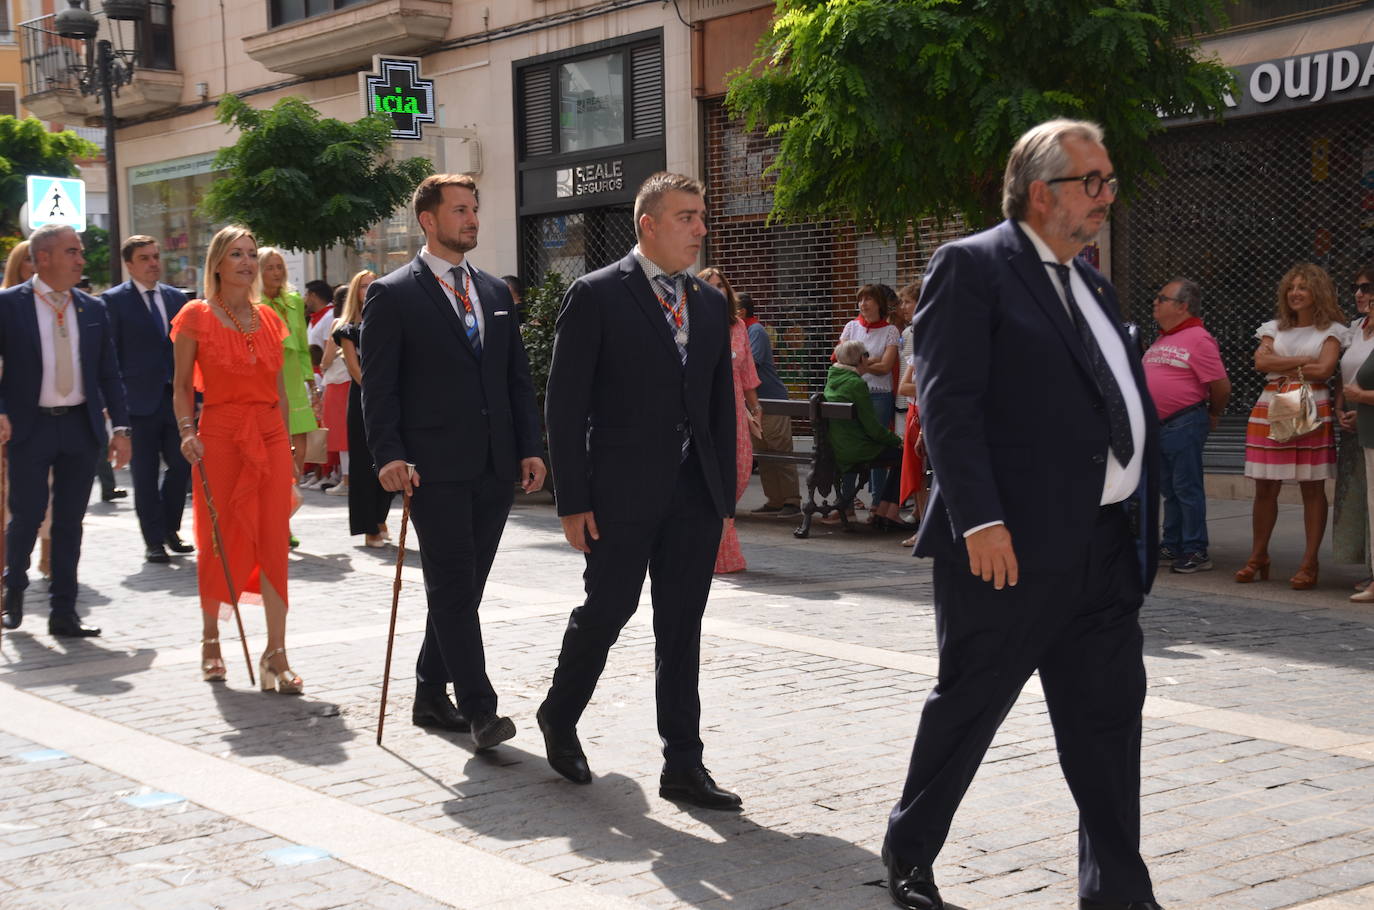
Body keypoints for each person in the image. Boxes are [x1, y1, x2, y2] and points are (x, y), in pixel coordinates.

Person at [885, 119, 1162, 910]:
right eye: (1094, 182)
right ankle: (910, 848)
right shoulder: (971, 267)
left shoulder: (1093, 281)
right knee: (971, 708)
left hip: (1103, 549)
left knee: (1108, 725)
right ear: (1042, 193)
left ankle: (1118, 892)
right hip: (1005, 548)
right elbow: (949, 404)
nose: (1108, 196)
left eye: (1109, 180)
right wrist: (979, 521)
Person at [540, 172, 741, 810]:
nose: (700, 229)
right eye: (687, 217)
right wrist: (572, 500)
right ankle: (560, 713)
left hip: (693, 497)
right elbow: (564, 406)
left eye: (702, 217)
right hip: (618, 496)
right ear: (648, 224)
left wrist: (722, 497)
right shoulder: (596, 295)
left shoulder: (710, 304)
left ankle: (683, 763)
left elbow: (718, 407)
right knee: (608, 611)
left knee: (681, 628)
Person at [361, 173, 545, 752]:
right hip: (430, 468)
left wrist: (531, 446)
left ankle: (427, 693)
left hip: (492, 467)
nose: (471, 219)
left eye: (474, 209)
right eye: (460, 210)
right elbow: (380, 388)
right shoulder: (392, 294)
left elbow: (516, 378)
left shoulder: (493, 293)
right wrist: (388, 455)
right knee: (451, 584)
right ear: (428, 219)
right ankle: (480, 710)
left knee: (465, 590)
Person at [172, 225, 302, 691]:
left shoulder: (269, 319)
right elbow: (183, 387)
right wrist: (187, 431)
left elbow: (280, 391)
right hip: (219, 439)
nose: (247, 263)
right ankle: (211, 641)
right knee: (220, 542)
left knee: (273, 543)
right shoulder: (196, 316)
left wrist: (288, 444)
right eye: (236, 255)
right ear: (218, 264)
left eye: (251, 254)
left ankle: (276, 653)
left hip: (268, 436)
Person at [0, 223, 132, 638]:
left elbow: (110, 374)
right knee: (26, 515)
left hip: (79, 427)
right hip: (29, 427)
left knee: (70, 523)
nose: (81, 260)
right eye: (72, 252)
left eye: (80, 252)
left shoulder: (92, 309)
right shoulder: (8, 305)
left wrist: (121, 428)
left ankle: (64, 612)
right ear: (43, 259)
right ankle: (14, 586)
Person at [1238, 263, 1345, 590]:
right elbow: (1260, 363)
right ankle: (1258, 556)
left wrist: (1281, 362)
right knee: (1264, 487)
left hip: (1311, 405)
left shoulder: (1333, 330)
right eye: (1291, 287)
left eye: (1303, 287)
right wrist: (1302, 362)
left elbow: (1325, 369)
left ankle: (1309, 563)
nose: (1295, 293)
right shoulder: (1273, 327)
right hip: (1270, 405)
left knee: (1311, 486)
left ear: (1318, 292)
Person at [102, 235, 193, 564]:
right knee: (144, 474)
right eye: (145, 258)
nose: (153, 263)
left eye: (156, 257)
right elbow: (107, 356)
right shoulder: (112, 301)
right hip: (136, 404)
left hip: (175, 399)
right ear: (129, 264)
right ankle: (153, 540)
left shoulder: (176, 298)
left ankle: (170, 528)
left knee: (182, 465)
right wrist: (111, 406)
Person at [1142, 279, 1230, 574]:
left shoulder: (1198, 338)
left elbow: (1220, 385)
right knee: (1170, 489)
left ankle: (1195, 549)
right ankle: (1173, 541)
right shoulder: (1164, 338)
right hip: (1159, 425)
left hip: (1184, 421)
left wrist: (1213, 413)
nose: (1155, 302)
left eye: (1161, 298)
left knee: (1186, 488)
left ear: (1182, 306)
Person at [699, 267, 760, 573]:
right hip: (704, 408)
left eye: (720, 286)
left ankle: (722, 538)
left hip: (735, 407)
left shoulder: (737, 327)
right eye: (709, 285)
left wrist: (754, 407)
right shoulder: (692, 324)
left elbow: (747, 370)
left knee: (740, 469)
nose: (716, 291)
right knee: (712, 475)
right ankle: (714, 548)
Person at [334, 270, 392, 548]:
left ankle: (381, 517)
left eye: (373, 285)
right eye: (364, 286)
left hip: (390, 398)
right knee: (363, 464)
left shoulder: (388, 322)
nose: (369, 290)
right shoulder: (347, 329)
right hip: (363, 400)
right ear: (355, 291)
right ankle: (369, 527)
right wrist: (377, 390)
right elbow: (354, 370)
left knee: (391, 457)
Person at [258, 247, 318, 501]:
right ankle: (276, 513)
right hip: (267, 381)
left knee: (298, 451)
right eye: (269, 267)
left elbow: (303, 347)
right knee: (273, 450)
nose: (275, 272)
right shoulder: (253, 303)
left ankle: (288, 503)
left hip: (294, 381)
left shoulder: (294, 301)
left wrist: (311, 383)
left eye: (279, 267)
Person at [825, 340, 904, 527]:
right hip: (857, 449)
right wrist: (897, 440)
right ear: (861, 359)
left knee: (899, 454)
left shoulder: (833, 378)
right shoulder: (855, 384)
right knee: (903, 455)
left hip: (838, 447)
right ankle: (887, 511)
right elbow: (873, 428)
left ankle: (883, 509)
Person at [838, 285, 901, 516]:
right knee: (851, 445)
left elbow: (886, 366)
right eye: (861, 299)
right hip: (852, 393)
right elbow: (838, 358)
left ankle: (877, 502)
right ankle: (847, 503)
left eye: (869, 299)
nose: (863, 303)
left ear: (879, 303)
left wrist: (859, 364)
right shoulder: (851, 326)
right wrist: (871, 361)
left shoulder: (890, 331)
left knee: (877, 447)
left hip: (878, 395)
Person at [741, 294, 801, 517]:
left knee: (780, 449)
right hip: (755, 401)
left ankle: (792, 500)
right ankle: (775, 499)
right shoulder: (741, 331)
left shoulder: (755, 330)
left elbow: (751, 363)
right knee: (763, 452)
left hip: (771, 399)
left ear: (742, 311)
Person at [1333, 266, 1374, 594]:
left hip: (1370, 420)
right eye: (1356, 288)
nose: (1359, 294)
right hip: (1353, 425)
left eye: (1367, 288)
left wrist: (1361, 402)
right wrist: (1341, 408)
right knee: (1362, 500)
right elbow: (1344, 373)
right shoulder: (1355, 329)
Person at [895, 281, 926, 547]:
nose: (902, 307)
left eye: (907, 301)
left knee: (925, 471)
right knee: (916, 471)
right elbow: (906, 380)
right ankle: (921, 516)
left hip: (925, 406)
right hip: (913, 404)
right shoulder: (908, 331)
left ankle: (926, 523)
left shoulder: (928, 331)